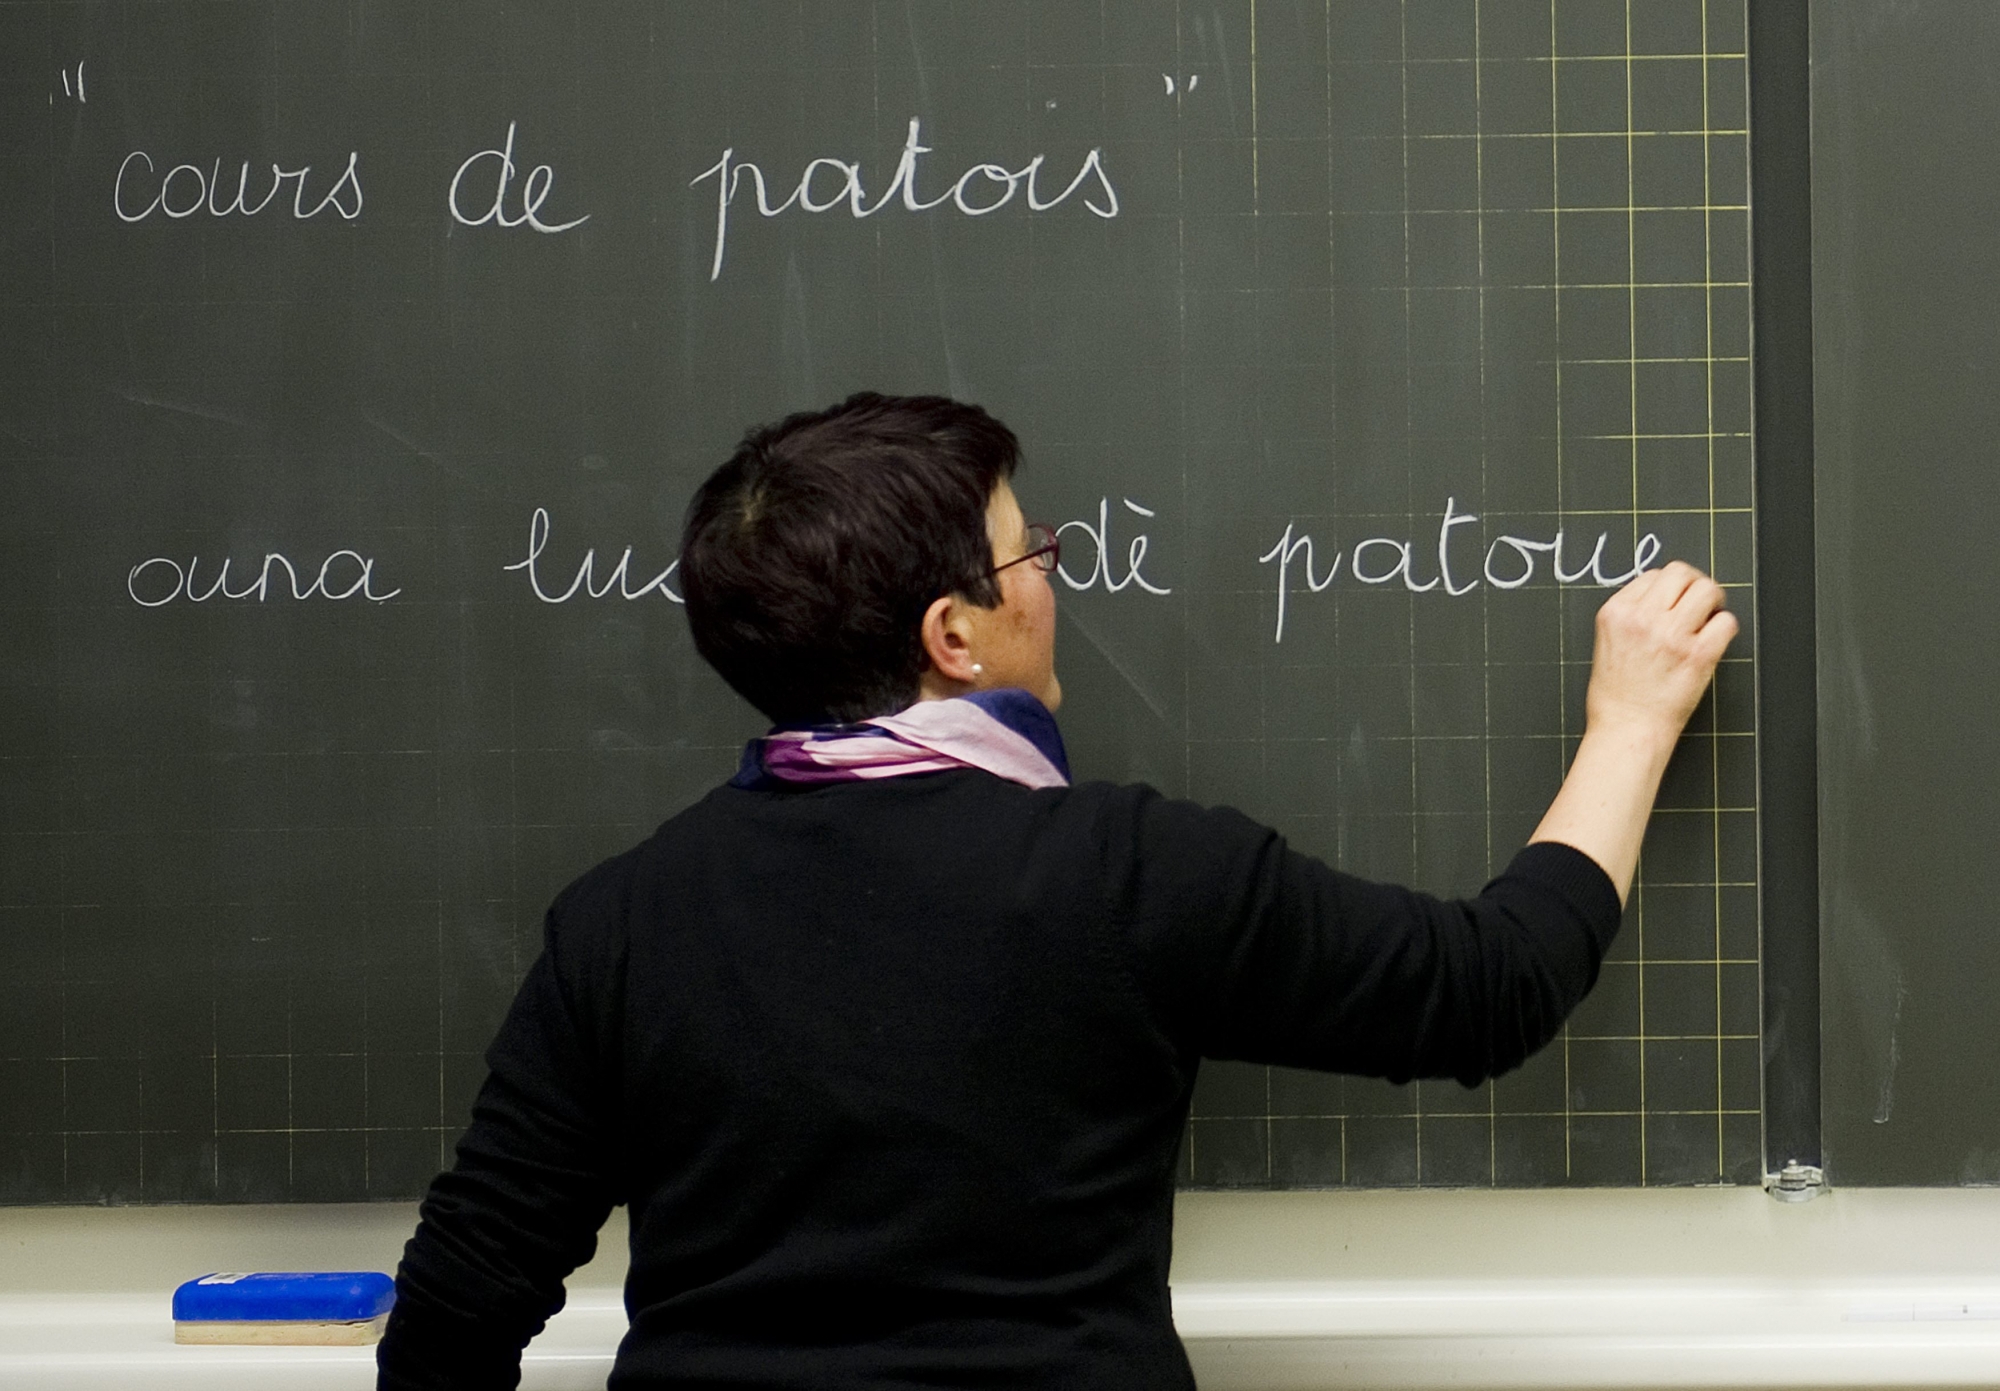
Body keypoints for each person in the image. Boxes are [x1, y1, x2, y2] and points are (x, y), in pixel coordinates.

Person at [377, 393, 1736, 1390]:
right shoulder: (1126, 875)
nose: (1054, 583)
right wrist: (1632, 721)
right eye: (1035, 555)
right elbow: (1485, 989)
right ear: (952, 637)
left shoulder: (622, 920)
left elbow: (453, 1314)